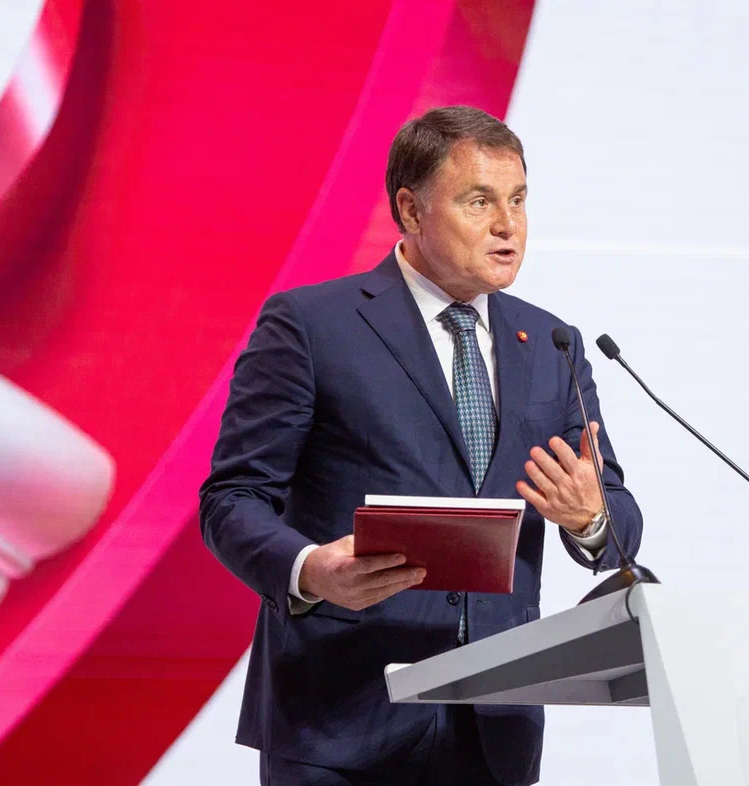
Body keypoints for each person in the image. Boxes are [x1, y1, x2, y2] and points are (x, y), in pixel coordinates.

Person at [199, 105, 643, 786]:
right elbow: (231, 500)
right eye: (479, 201)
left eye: (519, 200)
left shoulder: (553, 345)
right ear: (410, 210)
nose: (508, 225)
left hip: (494, 729)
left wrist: (590, 519)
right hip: (339, 721)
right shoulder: (313, 326)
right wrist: (310, 571)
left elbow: (615, 514)